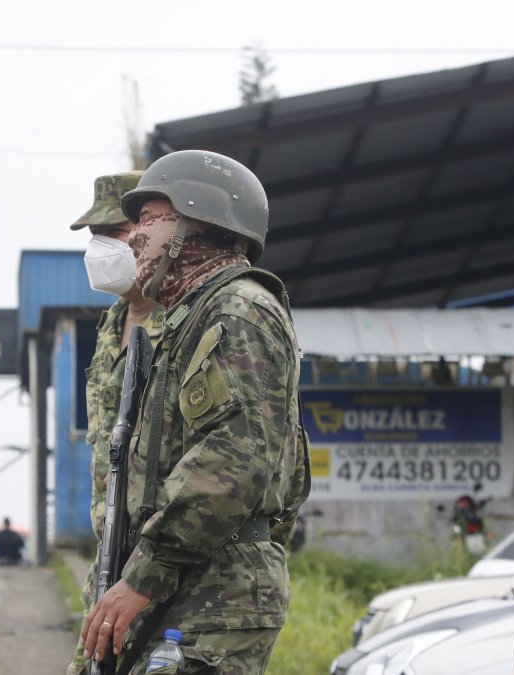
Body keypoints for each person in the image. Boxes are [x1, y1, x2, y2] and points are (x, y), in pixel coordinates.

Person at [80, 150, 310, 674]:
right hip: (176, 583)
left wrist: (144, 574)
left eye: (148, 219)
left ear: (195, 223)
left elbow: (232, 465)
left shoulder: (238, 311)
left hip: (212, 594)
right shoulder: (192, 317)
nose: (134, 238)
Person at [68, 170, 166, 675]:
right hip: (110, 566)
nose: (101, 249)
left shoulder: (187, 319)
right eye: (95, 237)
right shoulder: (110, 325)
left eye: (114, 233)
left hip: (166, 571)